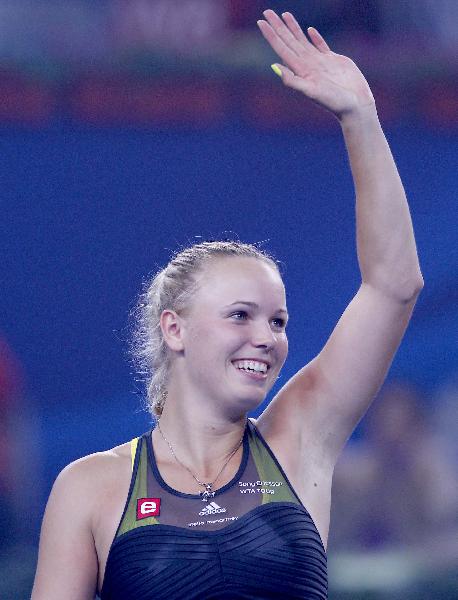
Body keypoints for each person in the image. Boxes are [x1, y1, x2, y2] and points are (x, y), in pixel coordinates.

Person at [31, 9, 424, 600]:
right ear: (175, 330)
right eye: (240, 314)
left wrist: (360, 118)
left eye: (279, 321)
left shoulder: (298, 439)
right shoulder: (90, 487)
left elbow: (394, 286)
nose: (266, 337)